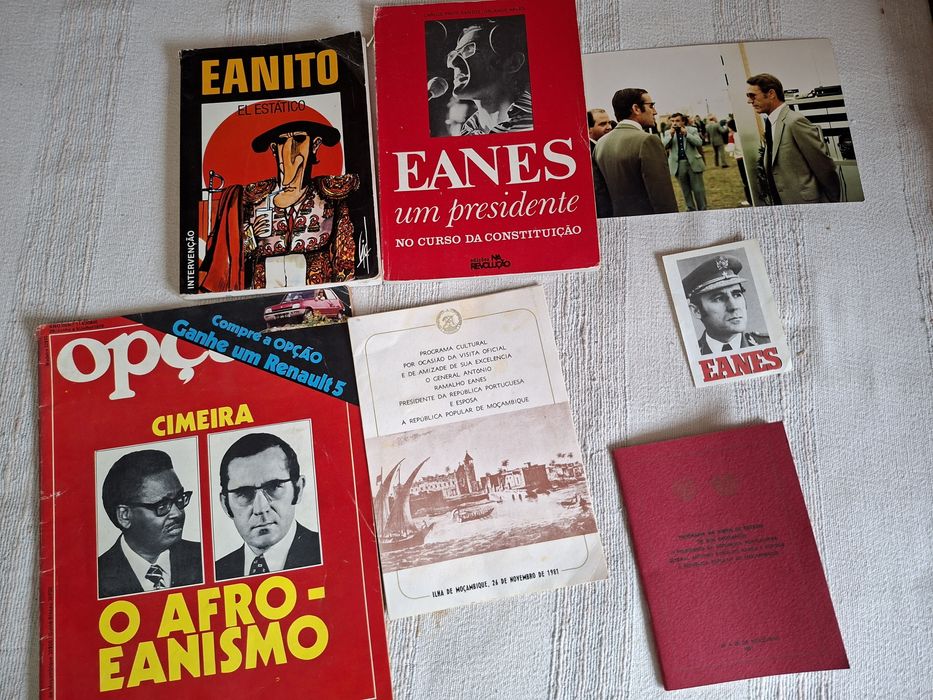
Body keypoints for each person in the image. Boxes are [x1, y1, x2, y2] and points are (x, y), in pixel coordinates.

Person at [199, 120, 359, 292]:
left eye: (299, 139)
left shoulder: (331, 194)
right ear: (274, 149)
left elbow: (345, 255)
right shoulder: (251, 197)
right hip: (263, 290)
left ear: (314, 145)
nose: (290, 150)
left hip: (316, 291)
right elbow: (226, 255)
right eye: (282, 141)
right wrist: (251, 237)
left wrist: (338, 292)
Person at [215, 432, 321, 580]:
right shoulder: (217, 572)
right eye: (244, 493)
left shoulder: (329, 551)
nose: (260, 508)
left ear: (298, 489)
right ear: (225, 505)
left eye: (274, 486)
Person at [98, 450, 202, 598]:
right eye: (162, 505)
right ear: (125, 516)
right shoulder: (97, 579)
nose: (178, 513)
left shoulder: (203, 557)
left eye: (179, 499)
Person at [746, 73, 840, 205]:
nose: (749, 101)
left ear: (771, 94)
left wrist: (834, 202)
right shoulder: (771, 123)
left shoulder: (794, 122)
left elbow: (823, 166)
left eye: (752, 96)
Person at [593, 88, 677, 216]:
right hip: (648, 223)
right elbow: (663, 199)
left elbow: (601, 196)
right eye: (651, 106)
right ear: (636, 108)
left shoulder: (600, 144)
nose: (655, 112)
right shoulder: (648, 140)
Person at [447, 17, 532, 135]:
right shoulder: (464, 134)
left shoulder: (540, 121)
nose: (453, 63)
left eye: (469, 50)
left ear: (513, 63)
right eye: (453, 56)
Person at [681, 254, 770, 355]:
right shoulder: (692, 354)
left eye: (737, 295)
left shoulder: (767, 344)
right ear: (696, 311)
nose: (734, 306)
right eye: (718, 299)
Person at [661, 113, 707, 211]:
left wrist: (686, 134)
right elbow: (663, 146)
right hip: (678, 165)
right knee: (685, 190)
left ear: (683, 121)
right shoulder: (668, 132)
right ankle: (690, 209)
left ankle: (702, 209)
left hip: (693, 163)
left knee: (698, 190)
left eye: (677, 121)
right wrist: (670, 135)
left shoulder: (692, 130)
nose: (674, 123)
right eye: (672, 121)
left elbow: (699, 142)